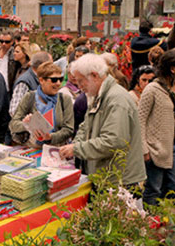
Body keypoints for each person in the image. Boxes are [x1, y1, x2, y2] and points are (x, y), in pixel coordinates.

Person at [59, 54, 146, 188]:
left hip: (119, 180)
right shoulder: (98, 95)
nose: (80, 87)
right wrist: (75, 145)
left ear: (94, 75)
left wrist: (76, 148)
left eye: (81, 81)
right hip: (106, 176)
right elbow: (85, 126)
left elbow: (113, 141)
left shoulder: (116, 99)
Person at [138, 50, 175, 205]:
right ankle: (151, 224)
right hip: (155, 150)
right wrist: (144, 149)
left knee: (171, 188)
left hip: (171, 147)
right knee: (154, 190)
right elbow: (140, 120)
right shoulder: (153, 89)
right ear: (172, 68)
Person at [9, 62, 74, 148]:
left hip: (55, 151)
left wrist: (50, 137)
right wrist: (27, 124)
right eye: (54, 80)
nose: (58, 83)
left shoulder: (65, 99)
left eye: (60, 79)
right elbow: (13, 124)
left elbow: (69, 129)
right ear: (41, 80)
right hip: (32, 150)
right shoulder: (30, 97)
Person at [9, 51, 53, 116]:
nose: (52, 68)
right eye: (50, 65)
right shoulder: (24, 82)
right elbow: (15, 111)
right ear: (42, 66)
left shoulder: (41, 79)